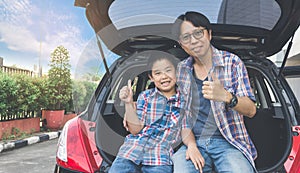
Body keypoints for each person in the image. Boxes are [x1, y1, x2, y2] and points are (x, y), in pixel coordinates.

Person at [171, 11, 257, 173]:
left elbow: (251, 110)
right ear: (181, 43)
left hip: (229, 142)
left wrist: (226, 96)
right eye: (186, 37)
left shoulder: (232, 63)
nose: (194, 41)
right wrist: (191, 145)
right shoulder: (182, 69)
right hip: (194, 142)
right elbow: (183, 116)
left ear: (209, 34)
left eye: (198, 33)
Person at [109, 51, 189, 173]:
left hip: (160, 156)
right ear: (151, 77)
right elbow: (136, 130)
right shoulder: (145, 96)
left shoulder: (185, 100)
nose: (164, 76)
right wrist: (128, 103)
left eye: (168, 70)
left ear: (176, 72)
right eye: (157, 73)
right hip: (132, 150)